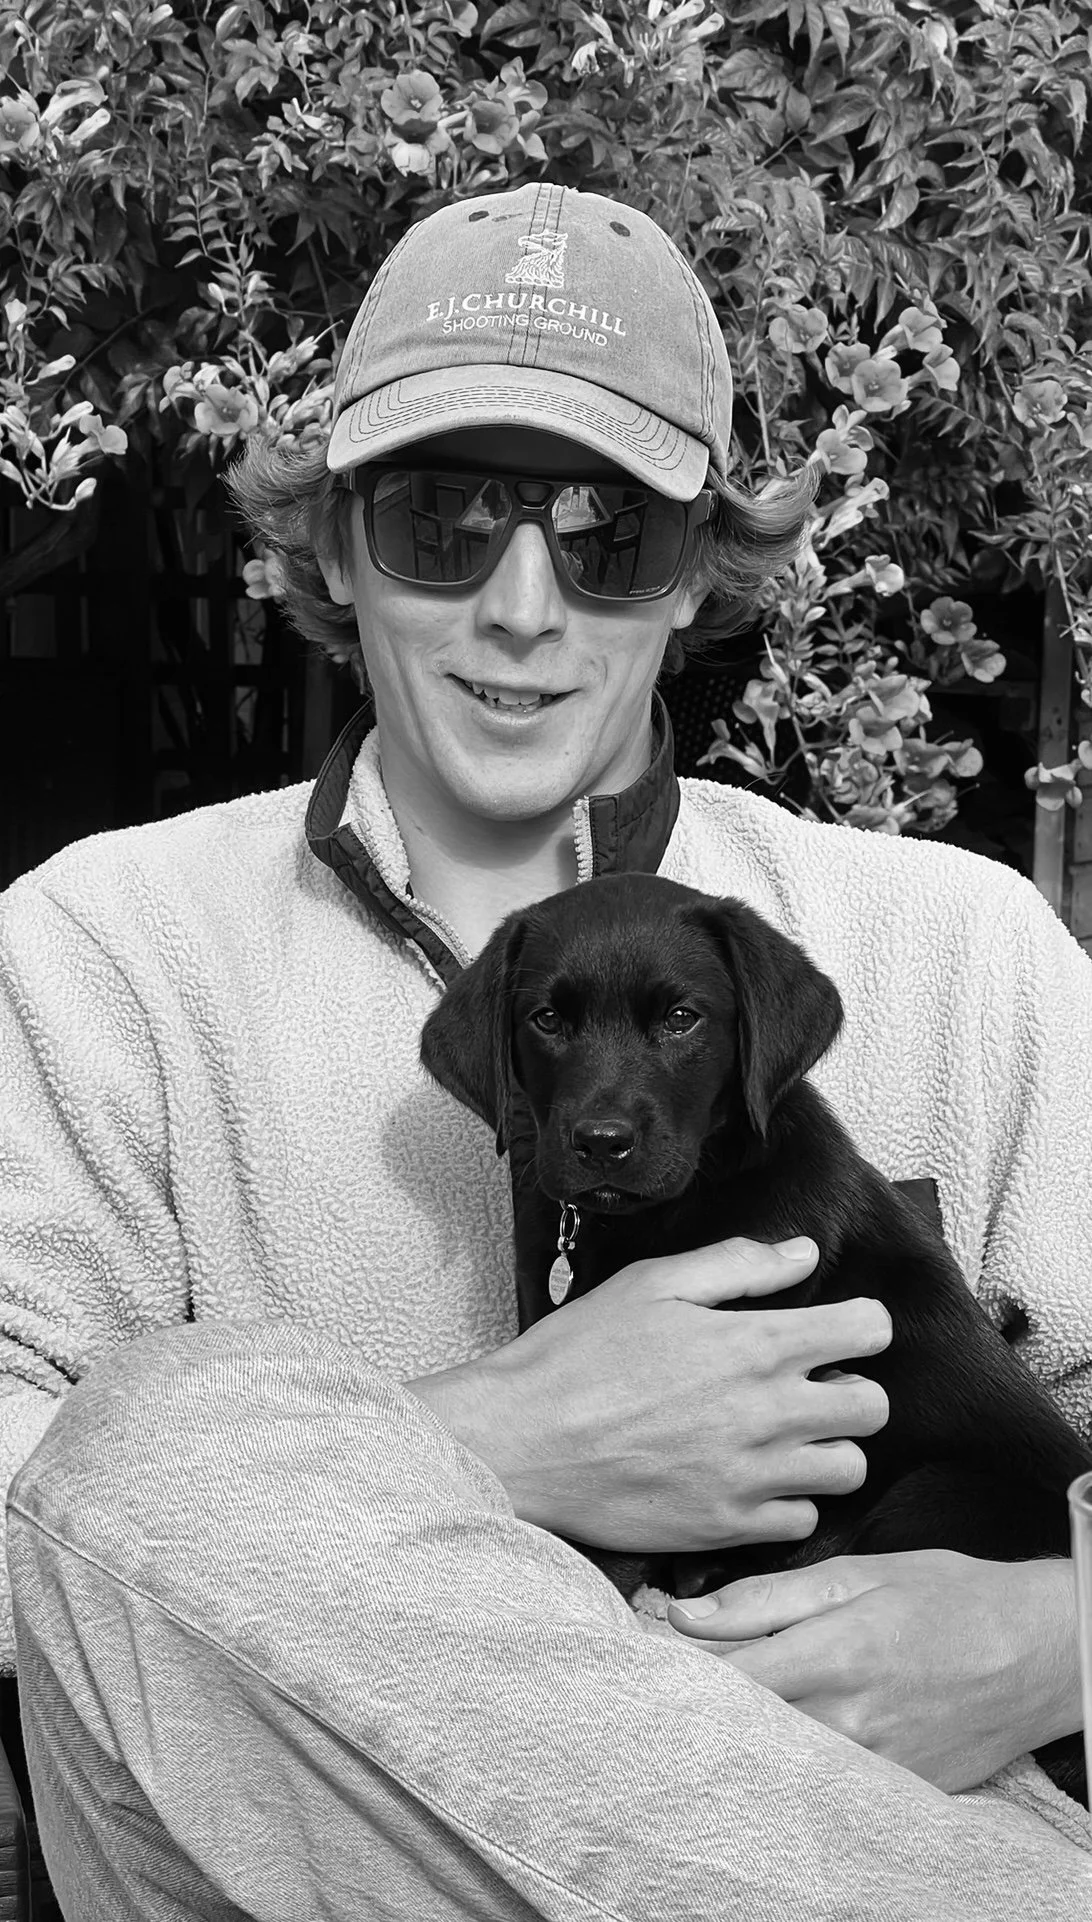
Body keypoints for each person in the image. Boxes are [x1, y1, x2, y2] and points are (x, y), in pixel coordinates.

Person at [2, 181, 1091, 1920]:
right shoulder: (100, 956)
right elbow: (59, 1537)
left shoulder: (955, 948)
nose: (526, 604)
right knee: (124, 1458)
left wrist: (1059, 1641)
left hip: (932, 1829)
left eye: (604, 533)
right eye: (445, 520)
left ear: (696, 578)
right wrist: (483, 1445)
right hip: (342, 1860)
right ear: (339, 547)